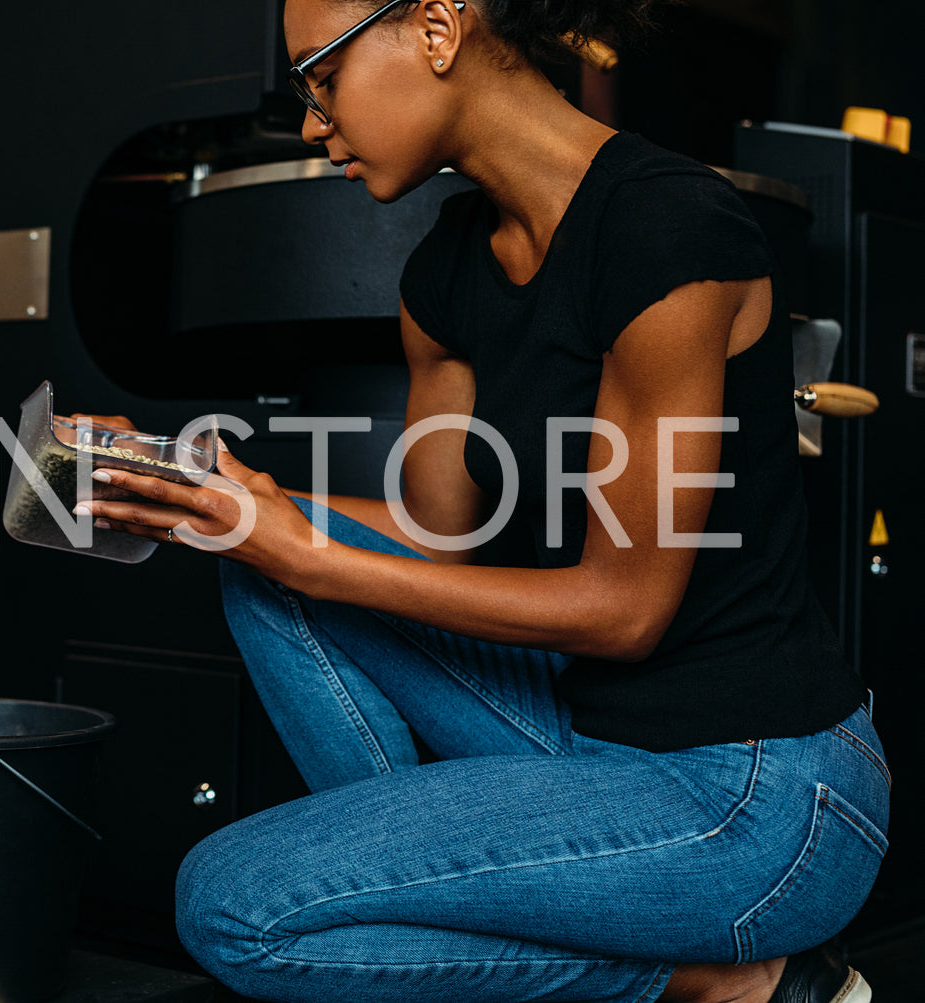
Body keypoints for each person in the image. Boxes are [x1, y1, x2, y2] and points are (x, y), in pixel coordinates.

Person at [72, 0, 889, 999]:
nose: (311, 124)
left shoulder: (664, 228)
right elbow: (438, 544)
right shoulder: (446, 271)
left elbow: (623, 611)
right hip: (584, 737)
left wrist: (308, 553)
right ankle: (459, 905)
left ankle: (726, 984)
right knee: (258, 566)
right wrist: (223, 498)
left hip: (755, 793)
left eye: (320, 79)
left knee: (233, 906)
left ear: (433, 28)